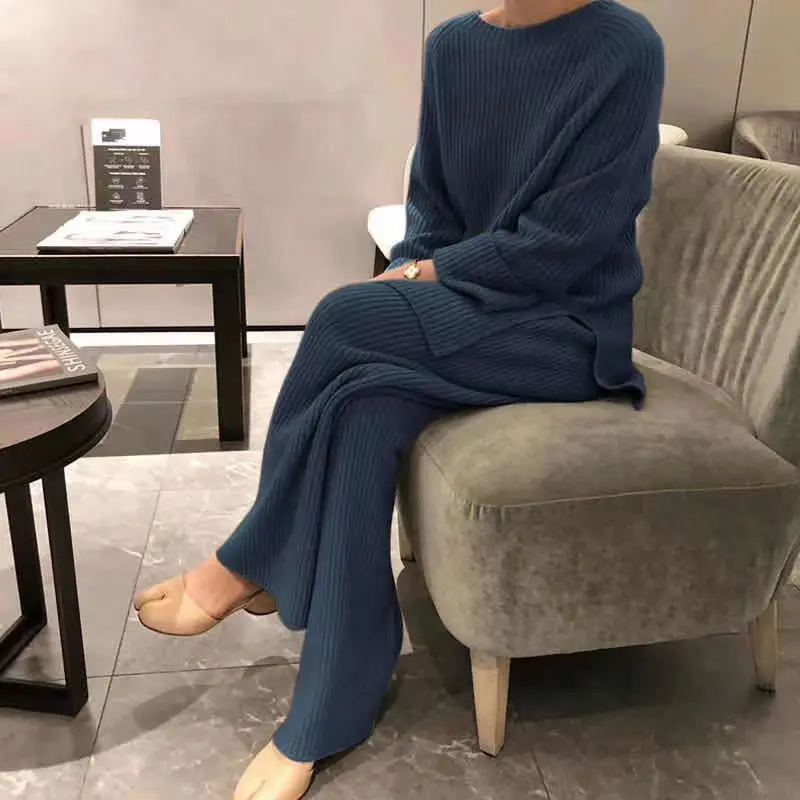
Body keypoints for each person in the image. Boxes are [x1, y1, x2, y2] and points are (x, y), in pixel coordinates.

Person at [134, 1, 665, 797]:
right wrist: (415, 268)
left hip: (567, 329)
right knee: (363, 404)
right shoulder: (454, 46)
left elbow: (570, 241)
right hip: (475, 308)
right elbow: (433, 211)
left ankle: (248, 559)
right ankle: (333, 701)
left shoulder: (625, 47)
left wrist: (423, 278)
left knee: (344, 316)